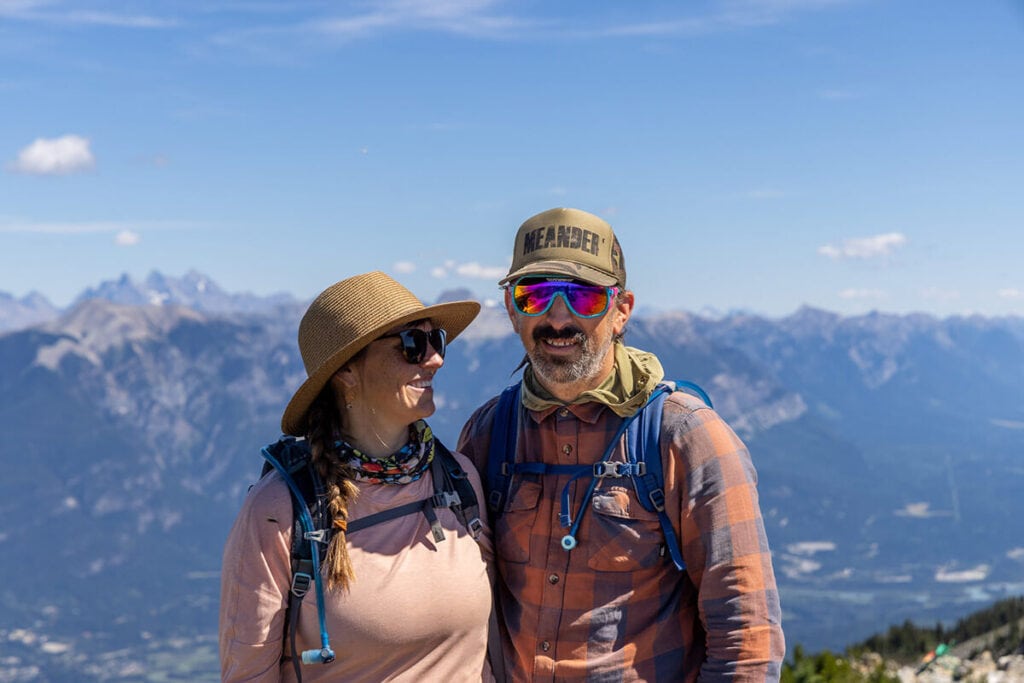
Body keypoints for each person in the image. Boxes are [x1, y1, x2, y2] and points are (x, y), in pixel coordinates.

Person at [458, 208, 785, 681]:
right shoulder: (489, 434)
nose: (557, 318)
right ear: (511, 310)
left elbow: (748, 639)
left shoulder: (686, 437)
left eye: (584, 298)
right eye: (533, 296)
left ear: (622, 309)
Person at [220, 271, 495, 682]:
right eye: (411, 345)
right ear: (347, 372)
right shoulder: (280, 511)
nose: (435, 359)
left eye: (433, 340)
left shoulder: (459, 479)